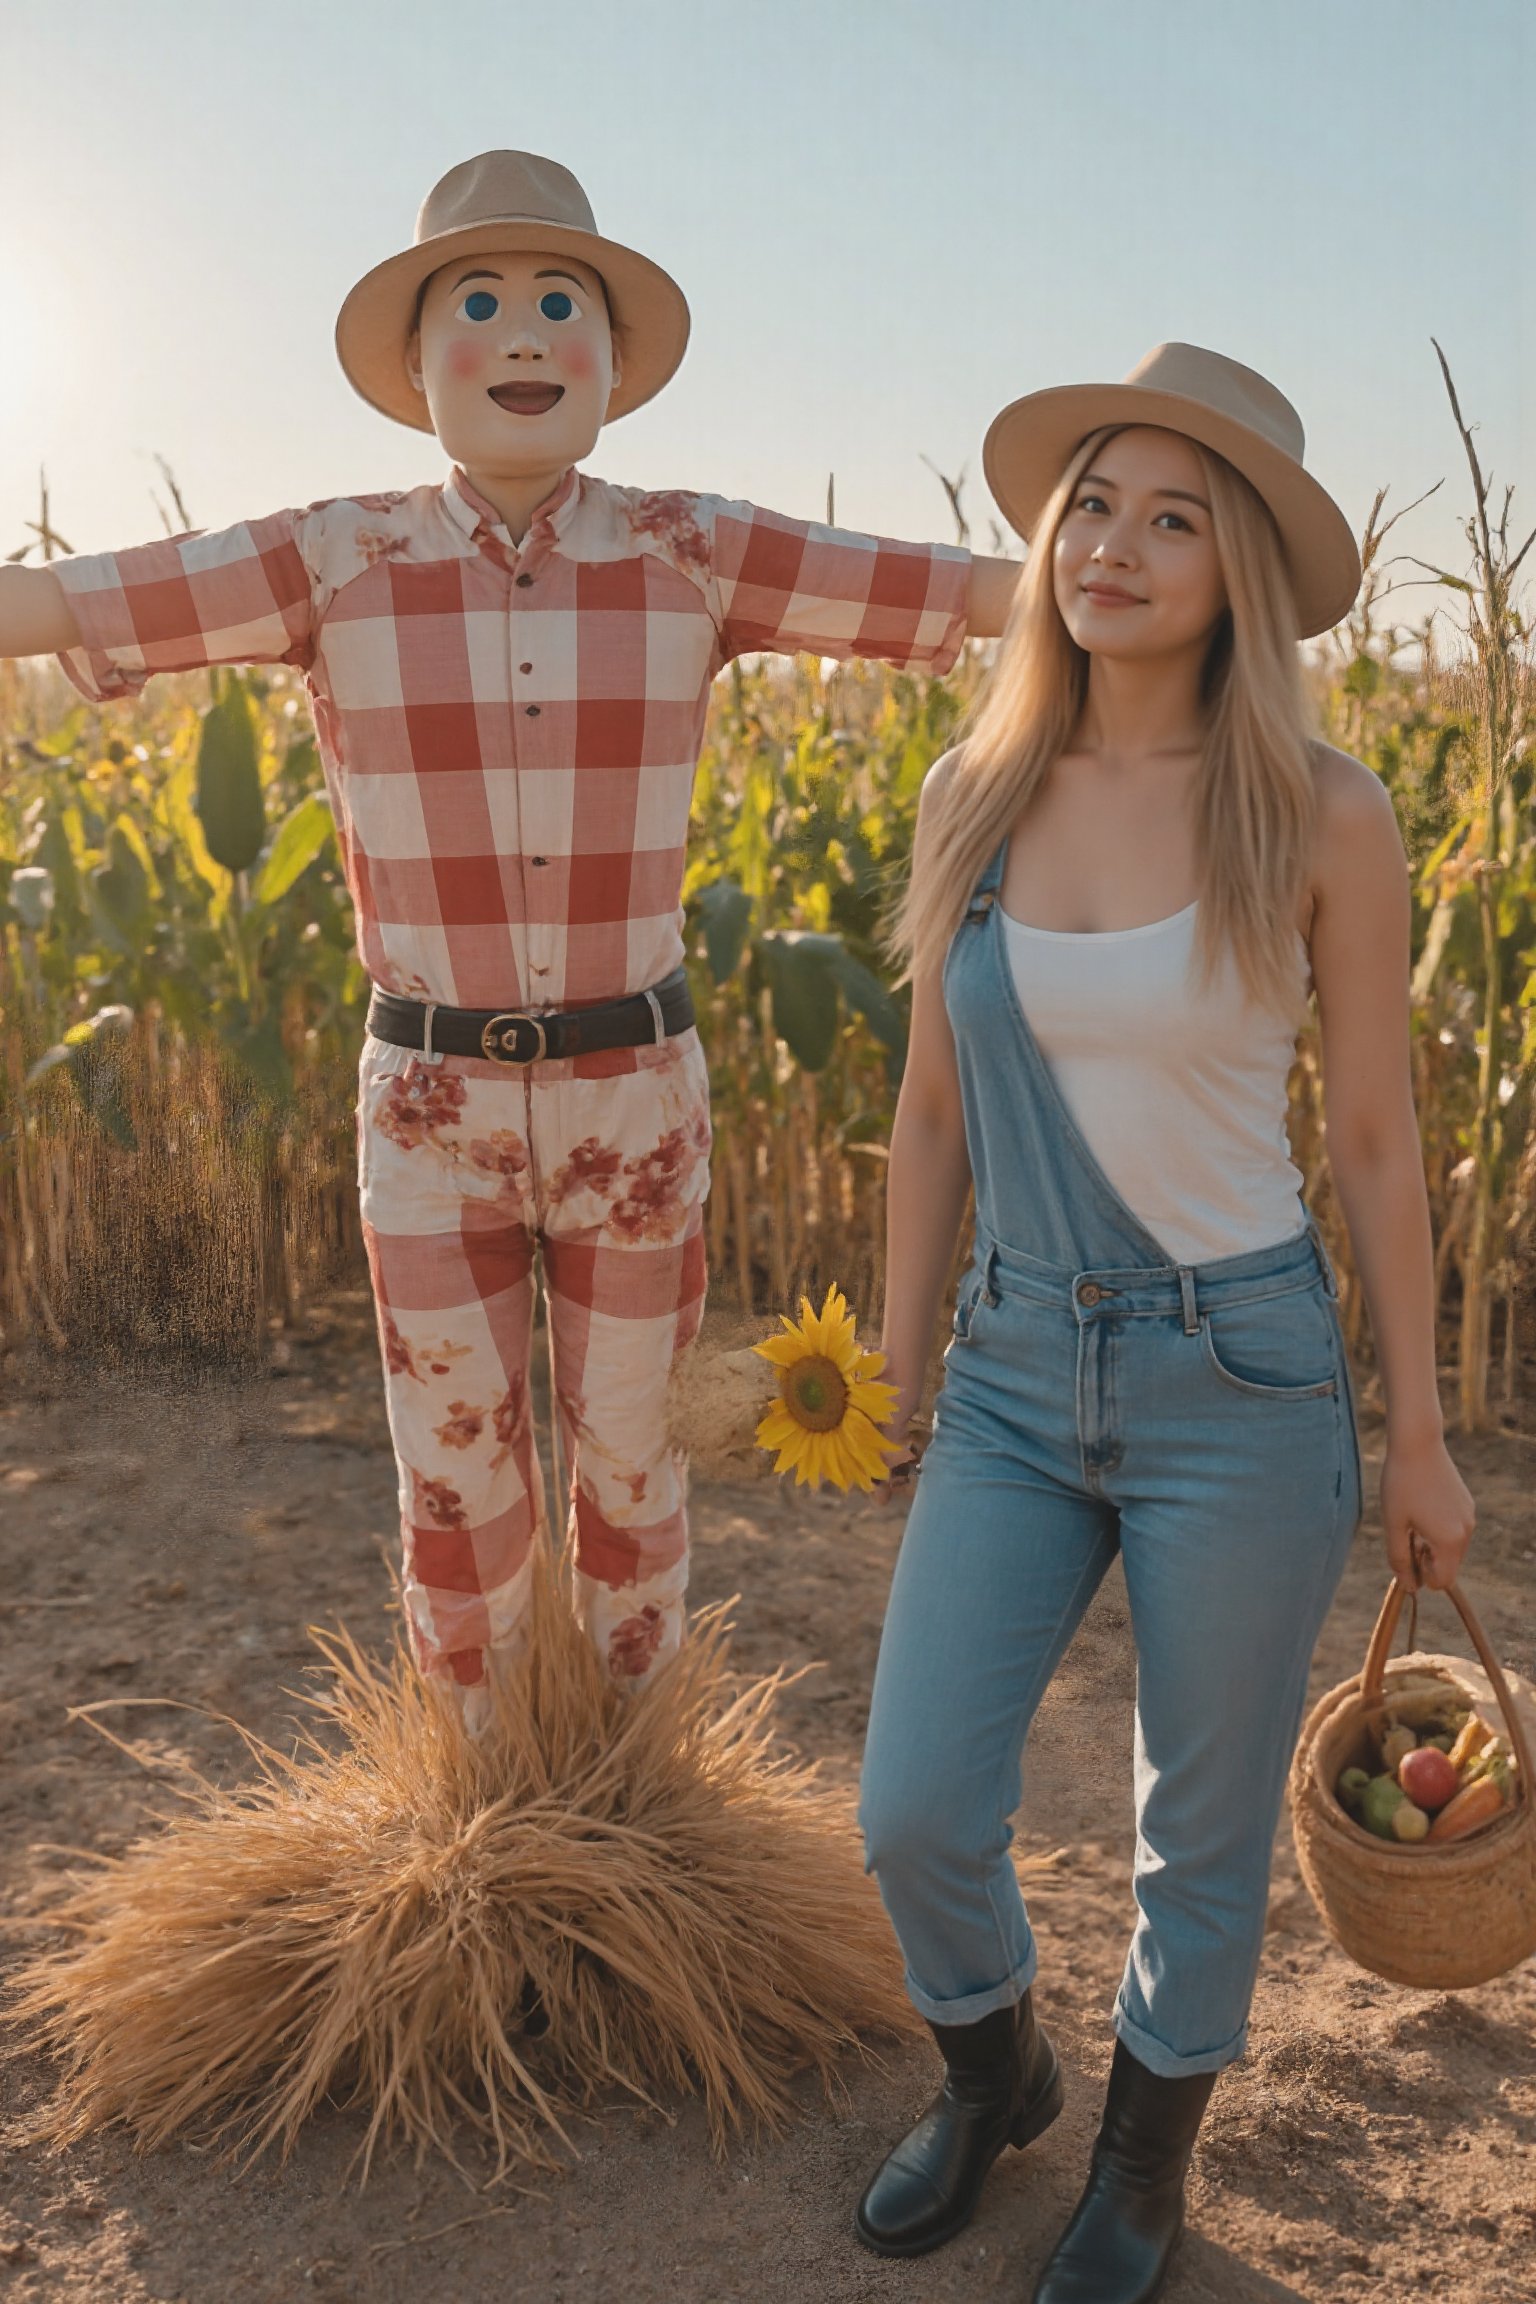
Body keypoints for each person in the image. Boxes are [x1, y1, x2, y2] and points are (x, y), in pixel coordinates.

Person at [0, 150, 1018, 1725]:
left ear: (613, 364)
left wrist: (1171, 581)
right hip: (428, 1106)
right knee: (457, 1493)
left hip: (634, 1094)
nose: (527, 333)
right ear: (415, 369)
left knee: (636, 1472)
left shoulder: (696, 545)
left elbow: (954, 586)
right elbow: (77, 602)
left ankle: (624, 1793)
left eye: (564, 305)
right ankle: (482, 1799)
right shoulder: (333, 557)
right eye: (482, 304)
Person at [853, 344, 1476, 2303]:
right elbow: (930, 1117)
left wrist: (1426, 1431)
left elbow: (1377, 1143)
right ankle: (996, 2066)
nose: (1114, 546)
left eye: (1172, 518)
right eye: (1092, 508)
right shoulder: (980, 787)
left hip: (1248, 1378)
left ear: (1239, 577)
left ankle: (1143, 2163)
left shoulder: (1319, 809)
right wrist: (892, 1357)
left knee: (1193, 1838)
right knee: (912, 1805)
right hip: (1018, 1372)